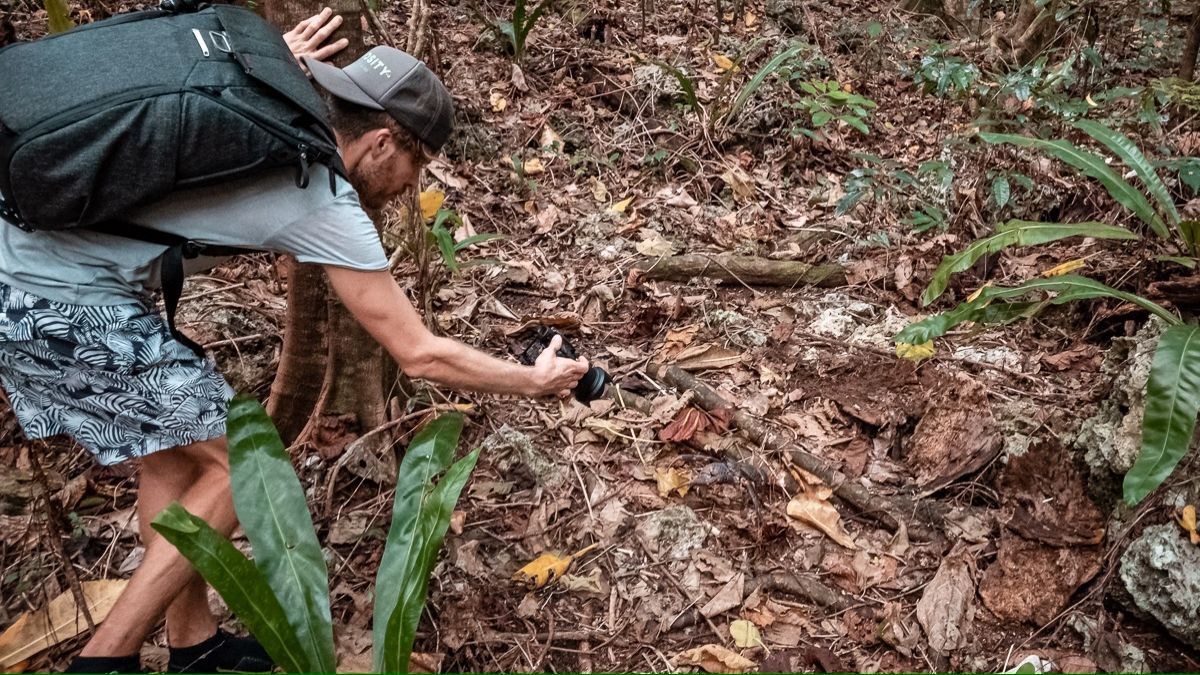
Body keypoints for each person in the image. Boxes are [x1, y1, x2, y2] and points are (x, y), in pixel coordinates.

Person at [0, 9, 588, 673]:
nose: (412, 186)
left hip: (27, 264)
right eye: (417, 163)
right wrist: (533, 381)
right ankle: (104, 660)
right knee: (241, 464)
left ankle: (193, 644)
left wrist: (279, 54)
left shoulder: (277, 87)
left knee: (180, 459)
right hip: (54, 301)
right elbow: (418, 352)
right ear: (382, 144)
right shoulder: (323, 197)